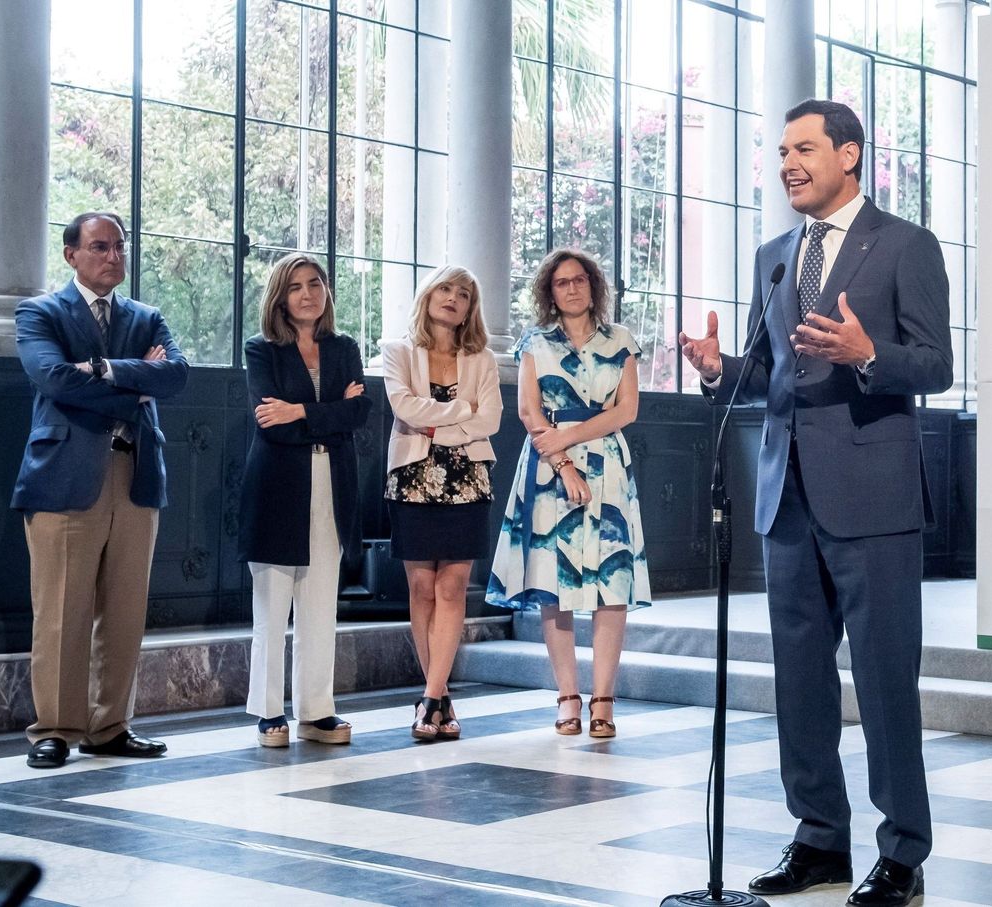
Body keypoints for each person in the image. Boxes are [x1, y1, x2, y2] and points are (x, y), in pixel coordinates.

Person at [680, 99, 952, 907]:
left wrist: (871, 354)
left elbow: (934, 365)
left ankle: (903, 852)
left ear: (850, 155)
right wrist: (719, 368)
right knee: (799, 684)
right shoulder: (775, 255)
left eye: (804, 148)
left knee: (882, 681)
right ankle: (819, 840)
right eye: (781, 151)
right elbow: (774, 379)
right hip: (786, 502)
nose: (787, 163)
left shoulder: (905, 244)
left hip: (873, 500)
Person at [11, 211, 190, 769]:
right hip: (64, 474)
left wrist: (105, 369)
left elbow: (177, 376)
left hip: (136, 475)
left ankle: (110, 725)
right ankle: (56, 729)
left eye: (119, 246)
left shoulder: (147, 316)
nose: (113, 256)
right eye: (99, 247)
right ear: (71, 255)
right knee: (62, 609)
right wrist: (135, 385)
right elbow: (55, 379)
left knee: (125, 609)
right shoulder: (39, 313)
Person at [487, 249, 651, 739]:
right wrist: (561, 459)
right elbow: (528, 412)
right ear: (549, 292)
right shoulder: (534, 343)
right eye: (562, 282)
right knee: (551, 587)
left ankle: (604, 701)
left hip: (606, 468)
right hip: (548, 469)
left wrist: (570, 437)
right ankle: (567, 699)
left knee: (611, 584)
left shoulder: (620, 339)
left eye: (580, 279)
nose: (572, 288)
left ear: (593, 286)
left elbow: (626, 412)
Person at [237, 254, 372, 747]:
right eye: (295, 287)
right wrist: (326, 413)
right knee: (272, 605)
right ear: (280, 296)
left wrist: (300, 410)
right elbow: (268, 420)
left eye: (315, 284)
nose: (307, 294)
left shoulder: (344, 348)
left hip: (333, 482)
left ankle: (316, 712)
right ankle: (269, 711)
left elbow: (360, 413)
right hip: (277, 483)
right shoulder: (262, 350)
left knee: (320, 603)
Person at [381, 265, 502, 741]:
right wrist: (461, 413)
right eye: (445, 288)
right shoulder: (397, 352)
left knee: (452, 590)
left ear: (471, 308)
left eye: (464, 294)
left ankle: (431, 697)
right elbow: (404, 409)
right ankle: (439, 697)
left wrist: (437, 422)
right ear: (428, 295)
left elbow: (489, 420)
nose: (453, 298)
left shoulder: (484, 359)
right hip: (412, 477)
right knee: (421, 590)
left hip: (468, 478)